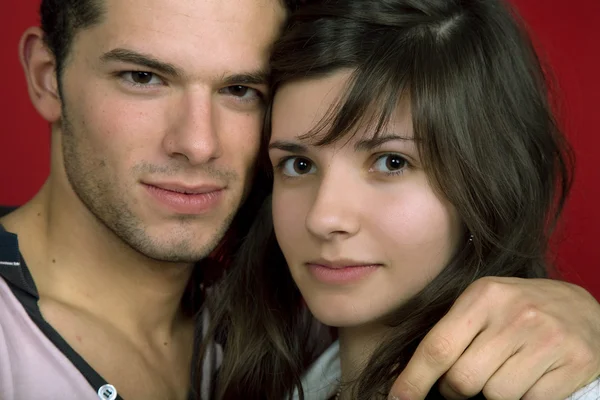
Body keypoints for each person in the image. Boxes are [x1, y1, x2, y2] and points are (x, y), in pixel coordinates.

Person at [0, 0, 599, 399]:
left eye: (239, 89)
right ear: (47, 76)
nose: (198, 143)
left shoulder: (299, 317)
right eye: (143, 78)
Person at [199, 0, 600, 399]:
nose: (323, 218)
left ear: (488, 179)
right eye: (299, 165)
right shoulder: (304, 371)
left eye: (392, 162)